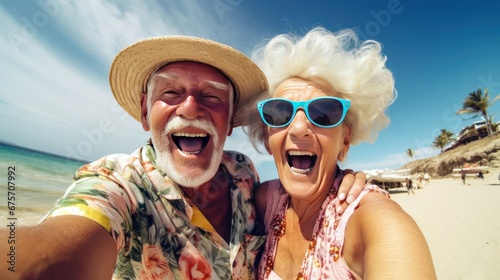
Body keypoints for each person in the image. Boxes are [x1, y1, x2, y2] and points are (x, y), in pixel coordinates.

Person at [0, 35, 367, 279]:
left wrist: (336, 181)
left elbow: (294, 194)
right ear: (145, 111)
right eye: (171, 92)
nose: (190, 108)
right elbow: (56, 246)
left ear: (229, 123)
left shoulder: (243, 172)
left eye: (211, 96)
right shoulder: (120, 185)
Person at [246, 27, 436, 279]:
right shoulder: (261, 200)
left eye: (323, 113)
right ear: (268, 137)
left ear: (345, 141)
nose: (300, 128)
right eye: (279, 113)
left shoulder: (376, 222)